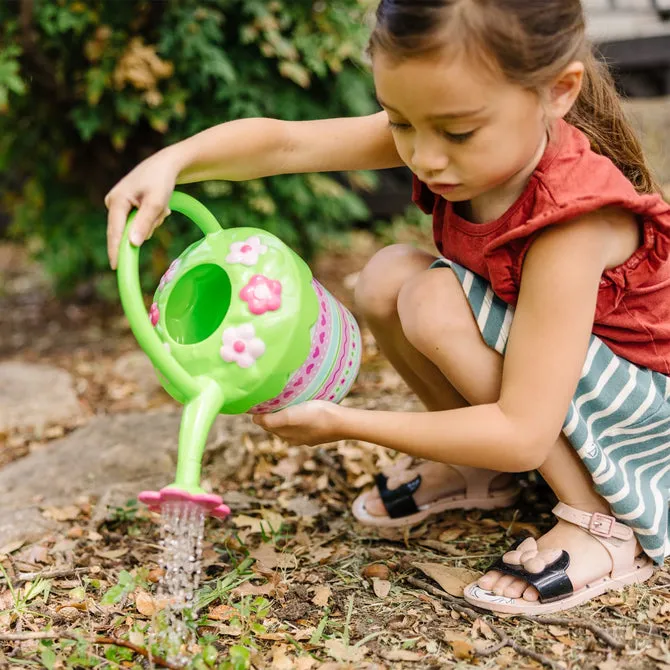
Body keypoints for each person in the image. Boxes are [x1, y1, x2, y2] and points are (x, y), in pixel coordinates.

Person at [106, 0, 670, 614]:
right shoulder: (449, 131)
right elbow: (288, 145)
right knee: (386, 276)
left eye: (456, 132)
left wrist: (347, 422)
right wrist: (173, 162)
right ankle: (475, 471)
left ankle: (601, 526)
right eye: (401, 123)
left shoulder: (573, 223)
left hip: (646, 415)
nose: (424, 156)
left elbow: (521, 433)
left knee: (431, 297)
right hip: (566, 386)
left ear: (557, 93)